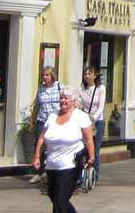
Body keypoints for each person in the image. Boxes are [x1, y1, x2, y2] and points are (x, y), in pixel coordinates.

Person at [32, 85, 95, 213]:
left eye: (66, 98)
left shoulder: (81, 117)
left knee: (60, 200)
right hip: (51, 165)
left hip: (70, 166)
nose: (62, 101)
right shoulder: (52, 116)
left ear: (73, 101)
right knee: (54, 196)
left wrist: (92, 157)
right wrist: (37, 156)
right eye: (61, 98)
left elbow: (89, 140)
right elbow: (42, 137)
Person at [29, 67, 61, 184]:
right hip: (42, 120)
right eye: (43, 75)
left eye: (47, 75)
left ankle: (54, 171)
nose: (45, 77)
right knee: (39, 144)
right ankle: (38, 172)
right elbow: (37, 105)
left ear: (52, 75)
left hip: (56, 120)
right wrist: (32, 119)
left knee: (55, 144)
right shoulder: (41, 89)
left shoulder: (59, 87)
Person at [78, 67, 105, 184]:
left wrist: (94, 118)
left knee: (95, 148)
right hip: (85, 121)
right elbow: (78, 103)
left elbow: (101, 106)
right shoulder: (82, 89)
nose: (87, 75)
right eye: (85, 74)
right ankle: (82, 174)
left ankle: (96, 174)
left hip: (97, 121)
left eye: (89, 73)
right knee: (83, 149)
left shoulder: (100, 88)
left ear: (94, 76)